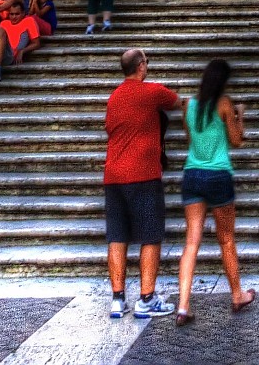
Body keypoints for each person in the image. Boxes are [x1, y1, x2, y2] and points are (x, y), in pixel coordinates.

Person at [103, 48, 182, 319]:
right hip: (143, 175)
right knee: (150, 235)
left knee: (117, 236)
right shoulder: (152, 92)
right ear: (141, 67)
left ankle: (117, 299)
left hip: (113, 176)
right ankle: (146, 298)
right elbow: (176, 101)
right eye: (146, 62)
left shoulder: (114, 98)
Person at [175, 58, 253, 322]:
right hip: (218, 175)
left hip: (192, 174)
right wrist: (239, 116)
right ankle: (237, 295)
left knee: (191, 241)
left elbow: (190, 141)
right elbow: (237, 141)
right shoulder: (224, 104)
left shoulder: (188, 105)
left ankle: (183, 306)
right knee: (226, 239)